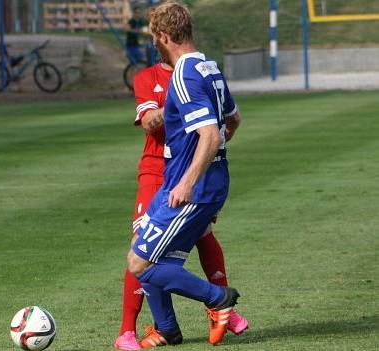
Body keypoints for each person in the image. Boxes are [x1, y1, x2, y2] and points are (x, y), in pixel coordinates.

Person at [125, 1, 244, 348]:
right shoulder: (209, 66)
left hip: (188, 186)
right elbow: (232, 120)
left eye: (153, 38)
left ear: (164, 36)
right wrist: (215, 163)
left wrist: (191, 181)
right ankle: (167, 329)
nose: (152, 44)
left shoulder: (184, 74)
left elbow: (209, 133)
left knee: (140, 263)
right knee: (145, 248)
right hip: (192, 181)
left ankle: (217, 298)